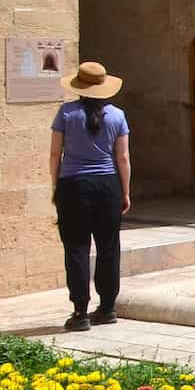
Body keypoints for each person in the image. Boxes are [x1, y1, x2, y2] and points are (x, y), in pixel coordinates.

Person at [49, 61, 131, 332]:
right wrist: (125, 191)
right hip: (108, 185)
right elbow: (122, 157)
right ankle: (107, 307)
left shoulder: (66, 113)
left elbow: (54, 155)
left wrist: (55, 187)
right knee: (109, 246)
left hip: (73, 185)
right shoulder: (117, 115)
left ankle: (80, 311)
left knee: (76, 248)